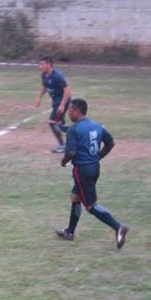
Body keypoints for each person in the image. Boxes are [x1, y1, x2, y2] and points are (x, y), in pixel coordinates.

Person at [55, 98, 129, 248]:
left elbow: (70, 152)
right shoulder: (96, 126)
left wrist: (63, 161)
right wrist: (98, 157)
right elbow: (110, 143)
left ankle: (118, 227)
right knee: (75, 196)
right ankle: (69, 232)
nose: (68, 113)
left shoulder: (74, 130)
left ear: (76, 111)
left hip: (82, 170)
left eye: (70, 110)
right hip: (94, 168)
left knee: (90, 206)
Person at [34, 56, 71, 153]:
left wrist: (62, 104)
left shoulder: (57, 75)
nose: (40, 66)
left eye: (42, 64)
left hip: (61, 102)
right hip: (56, 102)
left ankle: (62, 145)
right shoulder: (44, 75)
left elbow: (67, 89)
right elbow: (45, 86)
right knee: (60, 124)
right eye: (39, 64)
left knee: (52, 122)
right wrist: (39, 97)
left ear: (49, 65)